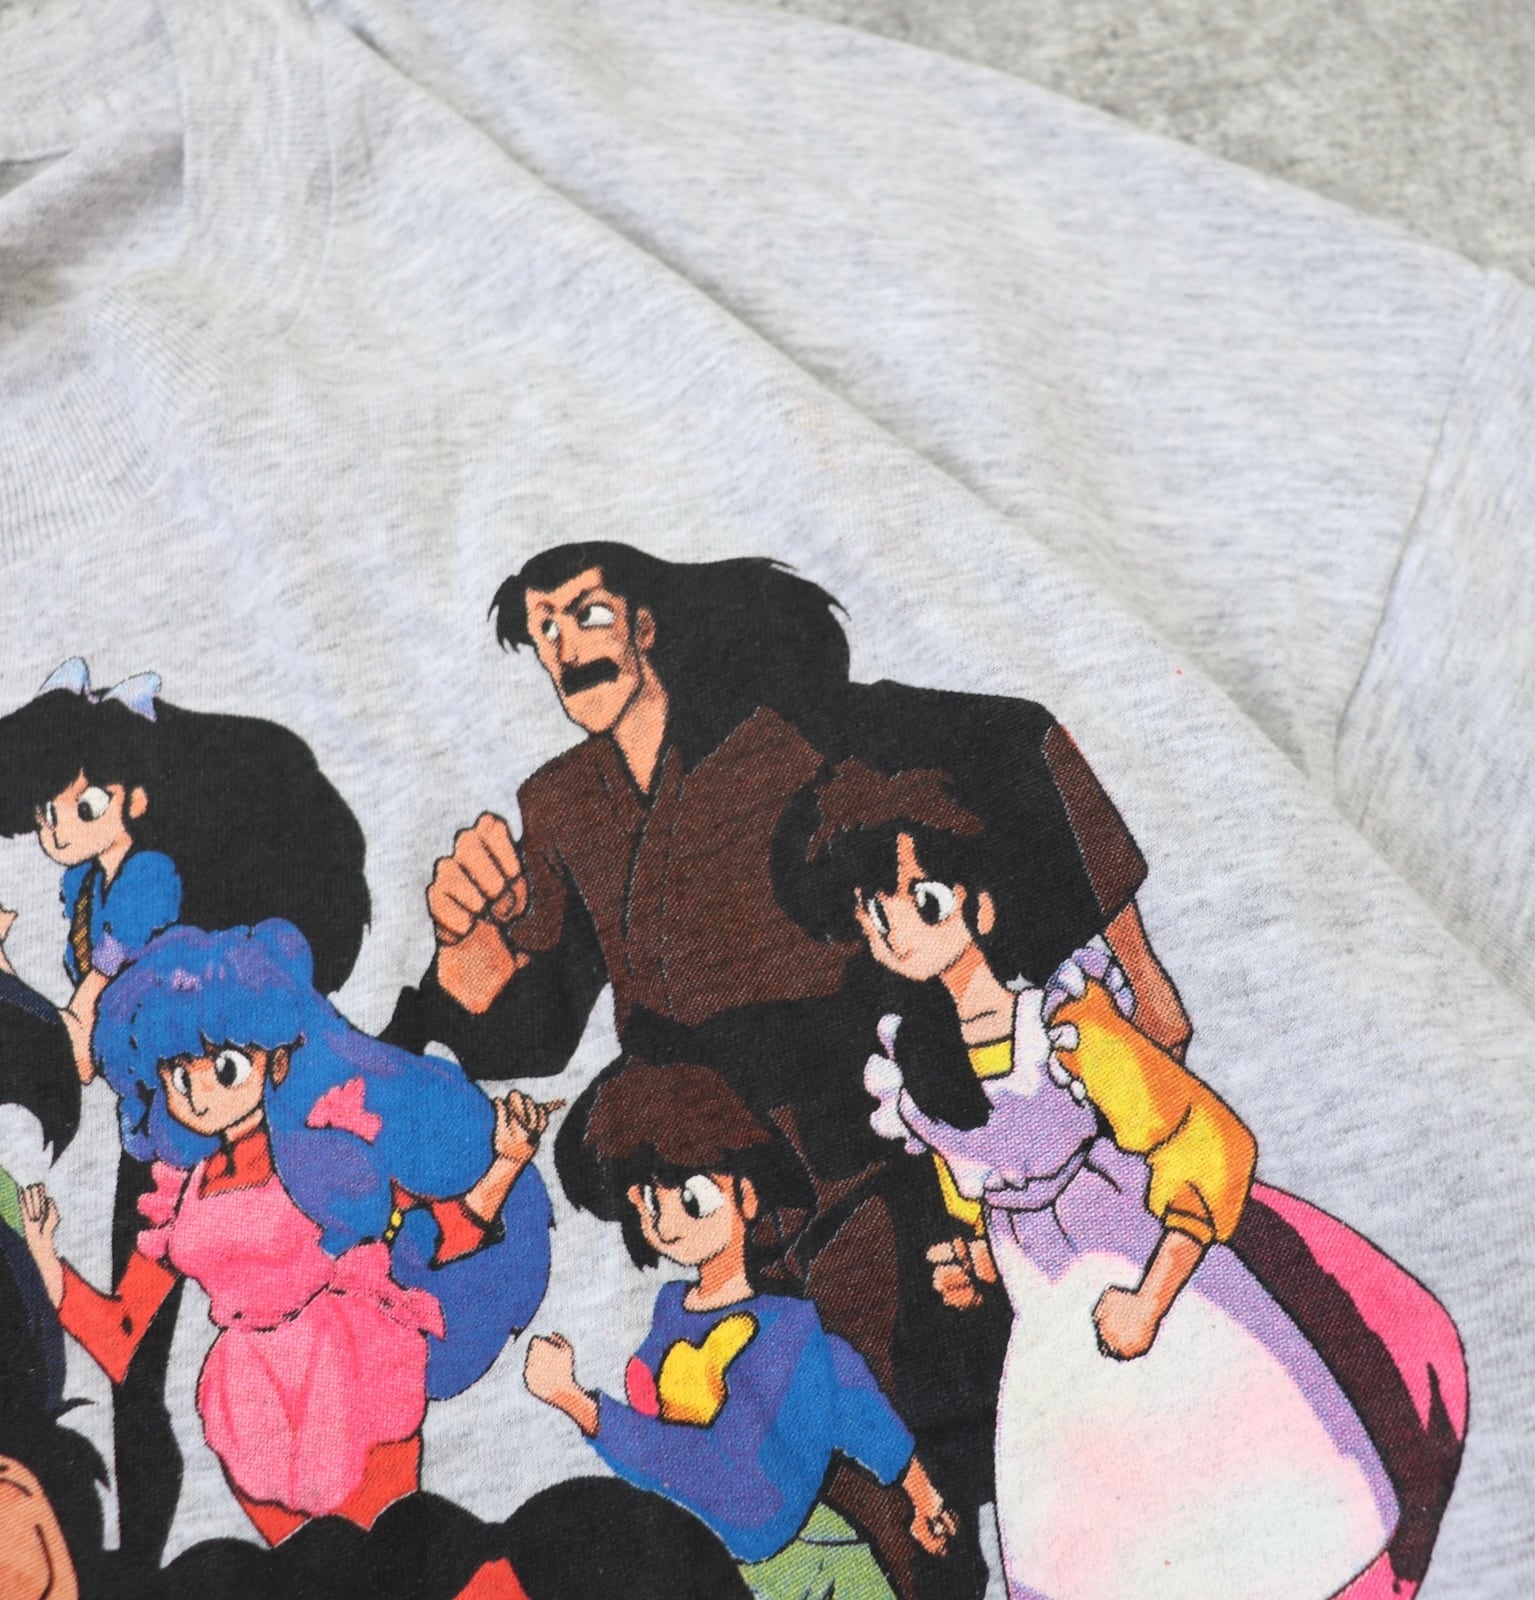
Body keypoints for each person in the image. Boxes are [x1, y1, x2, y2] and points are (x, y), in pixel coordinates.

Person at [384, 542, 1186, 1598]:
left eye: (585, 614)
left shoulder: (786, 736)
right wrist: (465, 947)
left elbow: (1013, 745)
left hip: (860, 1163)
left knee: (902, 1463)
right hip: (709, 1193)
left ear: (646, 624)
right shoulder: (563, 802)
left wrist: (1144, 982)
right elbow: (530, 1026)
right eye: (543, 631)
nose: (566, 648)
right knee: (768, 1495)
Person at [808, 763, 1469, 1600]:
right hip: (1053, 1344)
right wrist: (978, 1262)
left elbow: (1205, 1142)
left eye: (923, 902)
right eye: (875, 914)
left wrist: (1150, 1301)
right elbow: (982, 1190)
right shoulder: (915, 1065)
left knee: (1240, 1491)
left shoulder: (1064, 1026)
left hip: (1155, 1289)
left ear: (981, 906)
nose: (898, 931)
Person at [0, 659, 372, 1567]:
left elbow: (87, 1034)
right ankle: (140, 1557)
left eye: (81, 806)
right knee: (135, 1364)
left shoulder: (149, 887)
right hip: (156, 1134)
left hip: (193, 1139)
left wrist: (46, 1003)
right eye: (45, 814)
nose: (57, 829)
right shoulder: (87, 887)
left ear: (132, 797)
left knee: (218, 1353)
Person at [16, 921, 554, 1547]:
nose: (200, 1093)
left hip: (351, 1374)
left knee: (395, 1560)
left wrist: (507, 1162)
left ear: (275, 1057)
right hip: (251, 1408)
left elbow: (438, 1238)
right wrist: (47, 1266)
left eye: (223, 1066)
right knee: (307, 1577)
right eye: (178, 1075)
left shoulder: (325, 1153)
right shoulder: (180, 1192)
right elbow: (121, 1336)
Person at [523, 1059, 954, 1599]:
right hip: (704, 1561)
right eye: (650, 1199)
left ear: (746, 1197)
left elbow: (745, 1486)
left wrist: (584, 1407)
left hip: (799, 1567)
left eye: (692, 1197)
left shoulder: (787, 1334)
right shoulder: (670, 1315)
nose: (667, 1222)